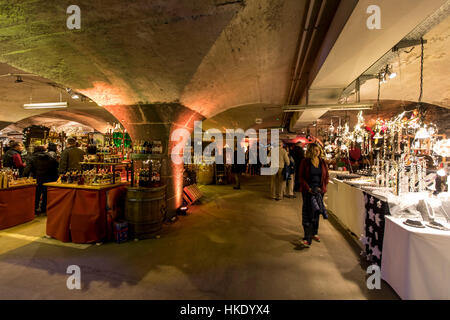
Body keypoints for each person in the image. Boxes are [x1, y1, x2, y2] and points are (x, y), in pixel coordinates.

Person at [298, 143, 329, 247]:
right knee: (308, 213)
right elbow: (301, 177)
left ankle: (314, 232)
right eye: (315, 150)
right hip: (308, 191)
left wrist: (323, 188)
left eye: (319, 150)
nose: (318, 152)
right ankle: (307, 237)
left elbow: (326, 177)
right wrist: (308, 188)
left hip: (319, 191)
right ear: (311, 151)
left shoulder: (322, 162)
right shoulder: (305, 162)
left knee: (316, 212)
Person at [23, 145, 59, 215]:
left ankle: (35, 208)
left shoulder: (32, 158)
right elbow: (56, 167)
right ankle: (44, 208)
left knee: (36, 194)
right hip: (49, 179)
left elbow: (27, 170)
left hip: (37, 178)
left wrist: (24, 177)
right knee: (46, 194)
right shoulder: (50, 158)